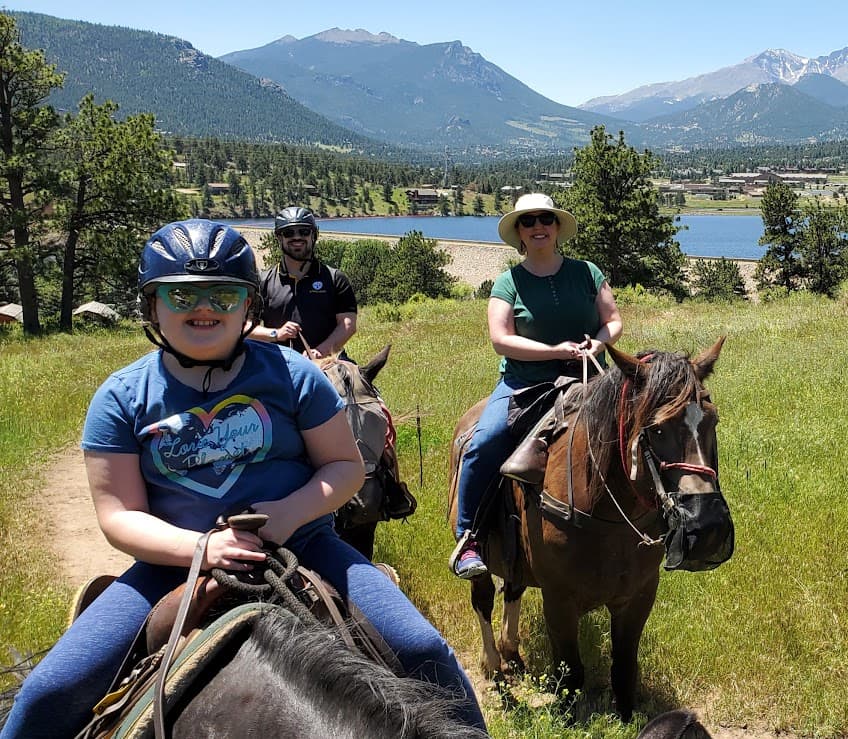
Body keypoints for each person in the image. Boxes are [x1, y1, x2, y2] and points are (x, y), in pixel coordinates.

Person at [0, 220, 485, 737]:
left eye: (223, 296)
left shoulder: (294, 376)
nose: (203, 308)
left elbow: (344, 467)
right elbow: (118, 516)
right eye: (182, 295)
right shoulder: (122, 398)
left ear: (248, 305)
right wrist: (203, 549)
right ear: (152, 306)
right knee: (49, 692)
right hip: (172, 565)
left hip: (304, 545)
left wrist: (288, 514)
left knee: (423, 649)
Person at [450, 193, 623, 578]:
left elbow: (612, 320)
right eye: (528, 222)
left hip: (590, 381)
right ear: (519, 234)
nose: (538, 226)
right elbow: (501, 339)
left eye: (545, 218)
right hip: (525, 384)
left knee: (639, 435)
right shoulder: (507, 282)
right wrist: (553, 351)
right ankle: (468, 539)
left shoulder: (588, 272)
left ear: (558, 227)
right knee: (484, 442)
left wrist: (598, 342)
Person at [251, 206, 357, 360]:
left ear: (314, 235)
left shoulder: (335, 278)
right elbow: (244, 327)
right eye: (289, 233)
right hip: (277, 363)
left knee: (359, 382)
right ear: (279, 238)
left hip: (327, 362)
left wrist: (320, 352)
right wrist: (276, 334)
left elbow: (348, 325)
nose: (297, 237)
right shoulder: (263, 281)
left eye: (304, 231)